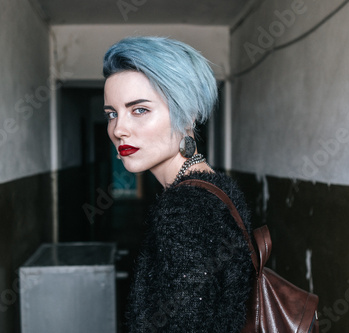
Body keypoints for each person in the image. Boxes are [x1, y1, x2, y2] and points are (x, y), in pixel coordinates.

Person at [103, 36, 253, 332]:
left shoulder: (183, 210)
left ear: (189, 115)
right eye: (111, 114)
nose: (118, 129)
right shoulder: (216, 187)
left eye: (139, 110)